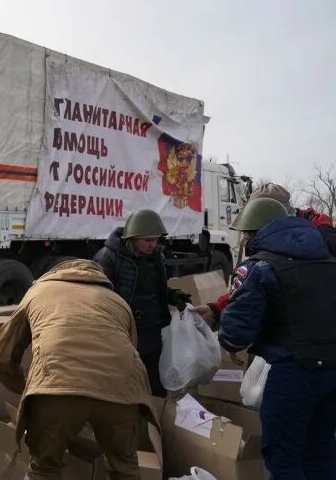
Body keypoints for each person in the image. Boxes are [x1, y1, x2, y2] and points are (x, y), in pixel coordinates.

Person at [0, 259, 157, 480]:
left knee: (44, 468)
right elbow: (131, 348)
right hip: (121, 390)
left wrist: (24, 388)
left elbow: (4, 355)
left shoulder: (38, 292)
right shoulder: (118, 301)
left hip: (56, 388)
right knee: (125, 467)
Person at [216, 197, 336, 477]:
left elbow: (237, 329)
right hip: (333, 373)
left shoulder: (260, 266)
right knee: (320, 452)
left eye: (246, 234)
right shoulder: (329, 260)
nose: (244, 239)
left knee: (284, 458)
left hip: (294, 375)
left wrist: (232, 344)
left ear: (257, 233)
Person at [195, 183, 335, 325]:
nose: (248, 235)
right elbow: (255, 284)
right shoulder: (288, 235)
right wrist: (217, 308)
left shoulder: (308, 243)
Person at [92, 209, 190, 397]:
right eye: (147, 240)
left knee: (155, 385)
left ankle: (155, 421)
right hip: (126, 334)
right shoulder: (108, 257)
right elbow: (98, 297)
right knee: (125, 386)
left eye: (155, 240)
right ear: (133, 237)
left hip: (153, 332)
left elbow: (154, 289)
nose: (153, 244)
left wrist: (173, 295)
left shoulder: (157, 257)